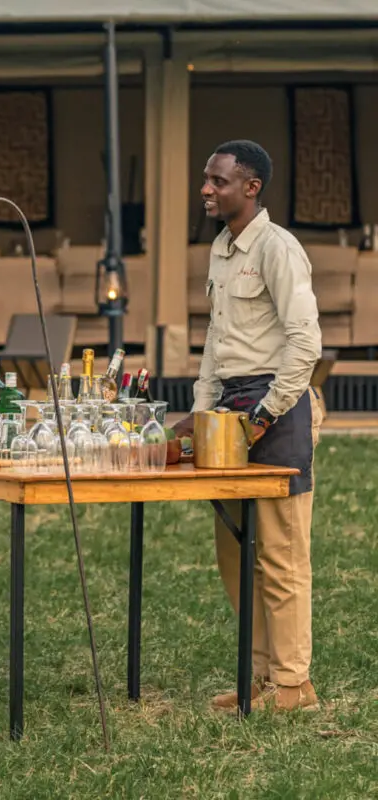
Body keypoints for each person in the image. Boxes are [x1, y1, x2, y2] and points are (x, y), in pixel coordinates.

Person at [173, 139, 324, 712]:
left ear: (251, 187)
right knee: (236, 551)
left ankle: (294, 684)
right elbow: (215, 341)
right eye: (206, 180)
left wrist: (265, 414)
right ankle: (259, 676)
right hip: (228, 409)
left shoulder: (279, 249)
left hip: (274, 408)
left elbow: (305, 341)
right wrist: (204, 408)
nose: (206, 189)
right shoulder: (220, 249)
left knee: (281, 554)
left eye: (218, 181)